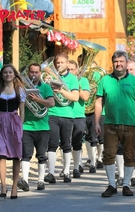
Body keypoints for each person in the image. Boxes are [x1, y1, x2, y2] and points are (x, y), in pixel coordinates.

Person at [95, 50, 135, 197]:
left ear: (126, 63)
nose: (118, 64)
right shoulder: (105, 80)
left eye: (121, 61)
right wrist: (97, 122)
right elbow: (99, 101)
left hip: (130, 124)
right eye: (116, 61)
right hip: (110, 124)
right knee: (108, 155)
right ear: (113, 63)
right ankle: (112, 184)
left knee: (130, 155)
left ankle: (126, 184)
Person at [17, 63, 55, 191]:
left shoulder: (45, 87)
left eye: (36, 72)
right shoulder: (22, 88)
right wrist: (23, 98)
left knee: (41, 155)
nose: (34, 75)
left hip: (43, 127)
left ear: (40, 73)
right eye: (31, 72)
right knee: (26, 154)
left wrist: (37, 100)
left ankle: (40, 180)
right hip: (27, 126)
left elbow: (51, 103)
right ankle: (25, 181)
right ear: (28, 73)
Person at [0, 64, 26, 199]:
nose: (8, 75)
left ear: (14, 74)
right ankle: (3, 185)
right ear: (2, 74)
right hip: (0, 122)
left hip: (14, 122)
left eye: (10, 72)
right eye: (5, 72)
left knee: (16, 155)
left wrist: (20, 126)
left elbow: (22, 110)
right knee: (1, 155)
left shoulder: (19, 90)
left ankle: (15, 186)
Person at [44, 53, 79, 183]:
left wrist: (61, 91)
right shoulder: (50, 77)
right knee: (52, 144)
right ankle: (51, 173)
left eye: (62, 63)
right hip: (52, 113)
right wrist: (47, 83)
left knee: (66, 144)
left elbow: (75, 97)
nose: (59, 65)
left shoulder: (73, 79)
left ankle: (66, 172)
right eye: (57, 63)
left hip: (67, 114)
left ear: (67, 64)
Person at [68, 60, 90, 177]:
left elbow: (85, 96)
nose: (70, 72)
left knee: (77, 143)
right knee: (65, 143)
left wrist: (74, 85)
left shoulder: (83, 80)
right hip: (66, 114)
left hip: (79, 115)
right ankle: (66, 168)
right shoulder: (62, 80)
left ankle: (76, 167)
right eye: (68, 69)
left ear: (77, 70)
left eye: (72, 69)